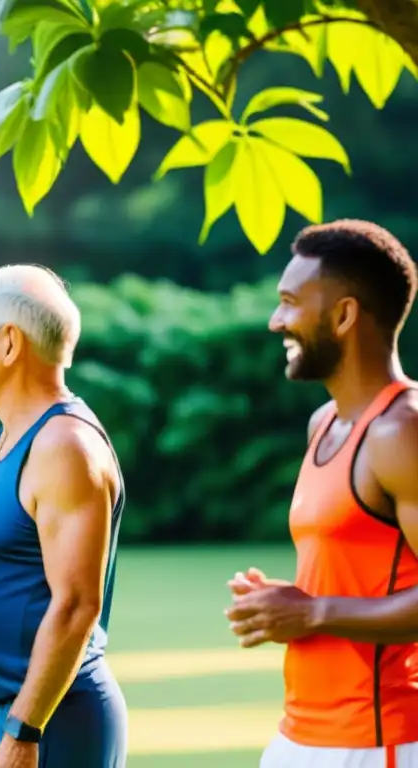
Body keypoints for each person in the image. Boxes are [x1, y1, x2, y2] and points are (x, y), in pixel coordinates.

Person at [225, 219, 418, 768]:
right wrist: (286, 604)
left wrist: (313, 612)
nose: (274, 320)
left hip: (379, 742)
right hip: (300, 736)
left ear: (344, 315)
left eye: (289, 302)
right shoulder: (323, 424)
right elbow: (361, 572)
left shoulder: (402, 431)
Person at [0, 264, 128, 768]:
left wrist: (23, 731)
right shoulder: (14, 438)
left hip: (45, 723)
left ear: (8, 344)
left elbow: (76, 605)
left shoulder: (64, 446)